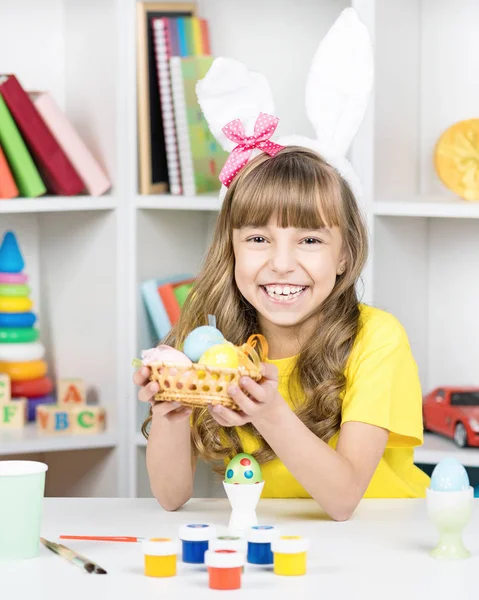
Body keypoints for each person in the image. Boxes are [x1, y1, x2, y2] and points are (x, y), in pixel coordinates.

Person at [133, 9, 430, 520]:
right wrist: (170, 413)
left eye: (310, 239)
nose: (282, 264)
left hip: (383, 543)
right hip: (277, 545)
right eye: (258, 238)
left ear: (344, 254)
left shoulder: (377, 341)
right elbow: (170, 496)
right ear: (231, 249)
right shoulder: (213, 341)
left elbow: (342, 501)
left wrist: (269, 413)